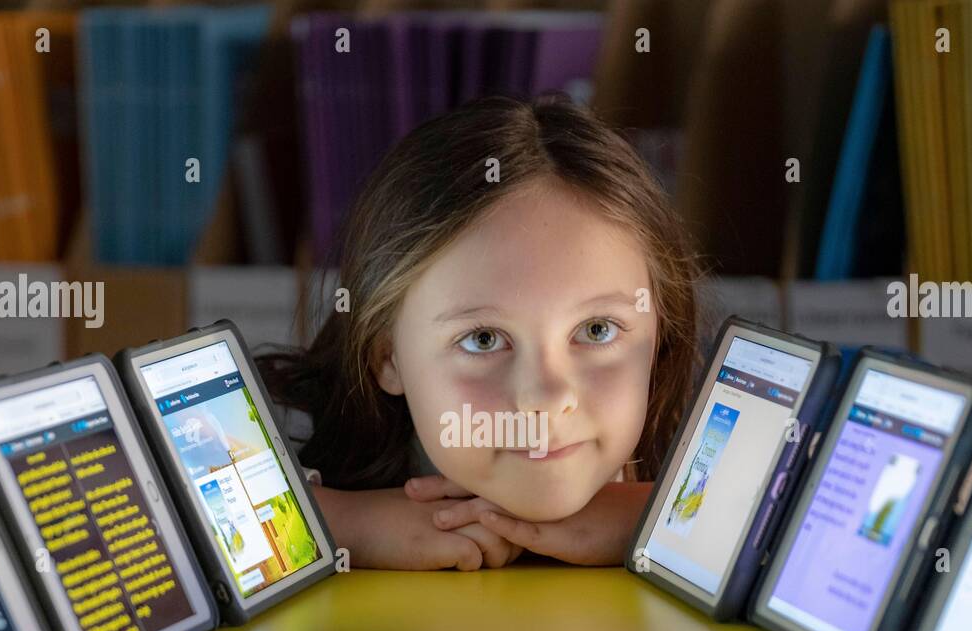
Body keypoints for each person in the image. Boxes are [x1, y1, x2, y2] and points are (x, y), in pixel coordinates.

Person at [257, 93, 704, 570]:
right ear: (388, 357)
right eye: (483, 339)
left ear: (659, 337)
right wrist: (346, 525)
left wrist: (667, 520)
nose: (547, 399)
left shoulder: (706, 450)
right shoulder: (301, 436)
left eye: (596, 329)